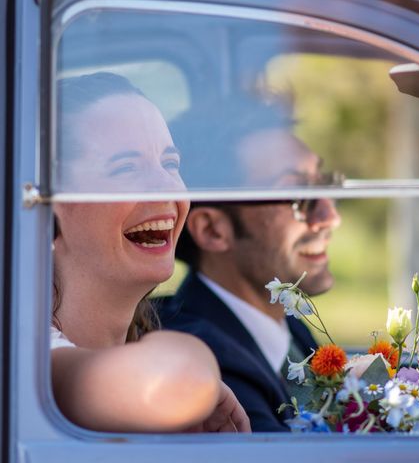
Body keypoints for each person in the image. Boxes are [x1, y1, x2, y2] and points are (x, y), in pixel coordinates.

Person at [51, 72, 250, 433]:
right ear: (47, 214)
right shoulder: (32, 353)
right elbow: (176, 379)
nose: (166, 188)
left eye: (170, 164)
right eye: (126, 168)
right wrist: (198, 373)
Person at [159, 95, 342, 431]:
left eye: (324, 184)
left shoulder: (289, 328)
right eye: (297, 195)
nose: (330, 217)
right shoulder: (210, 365)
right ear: (213, 230)